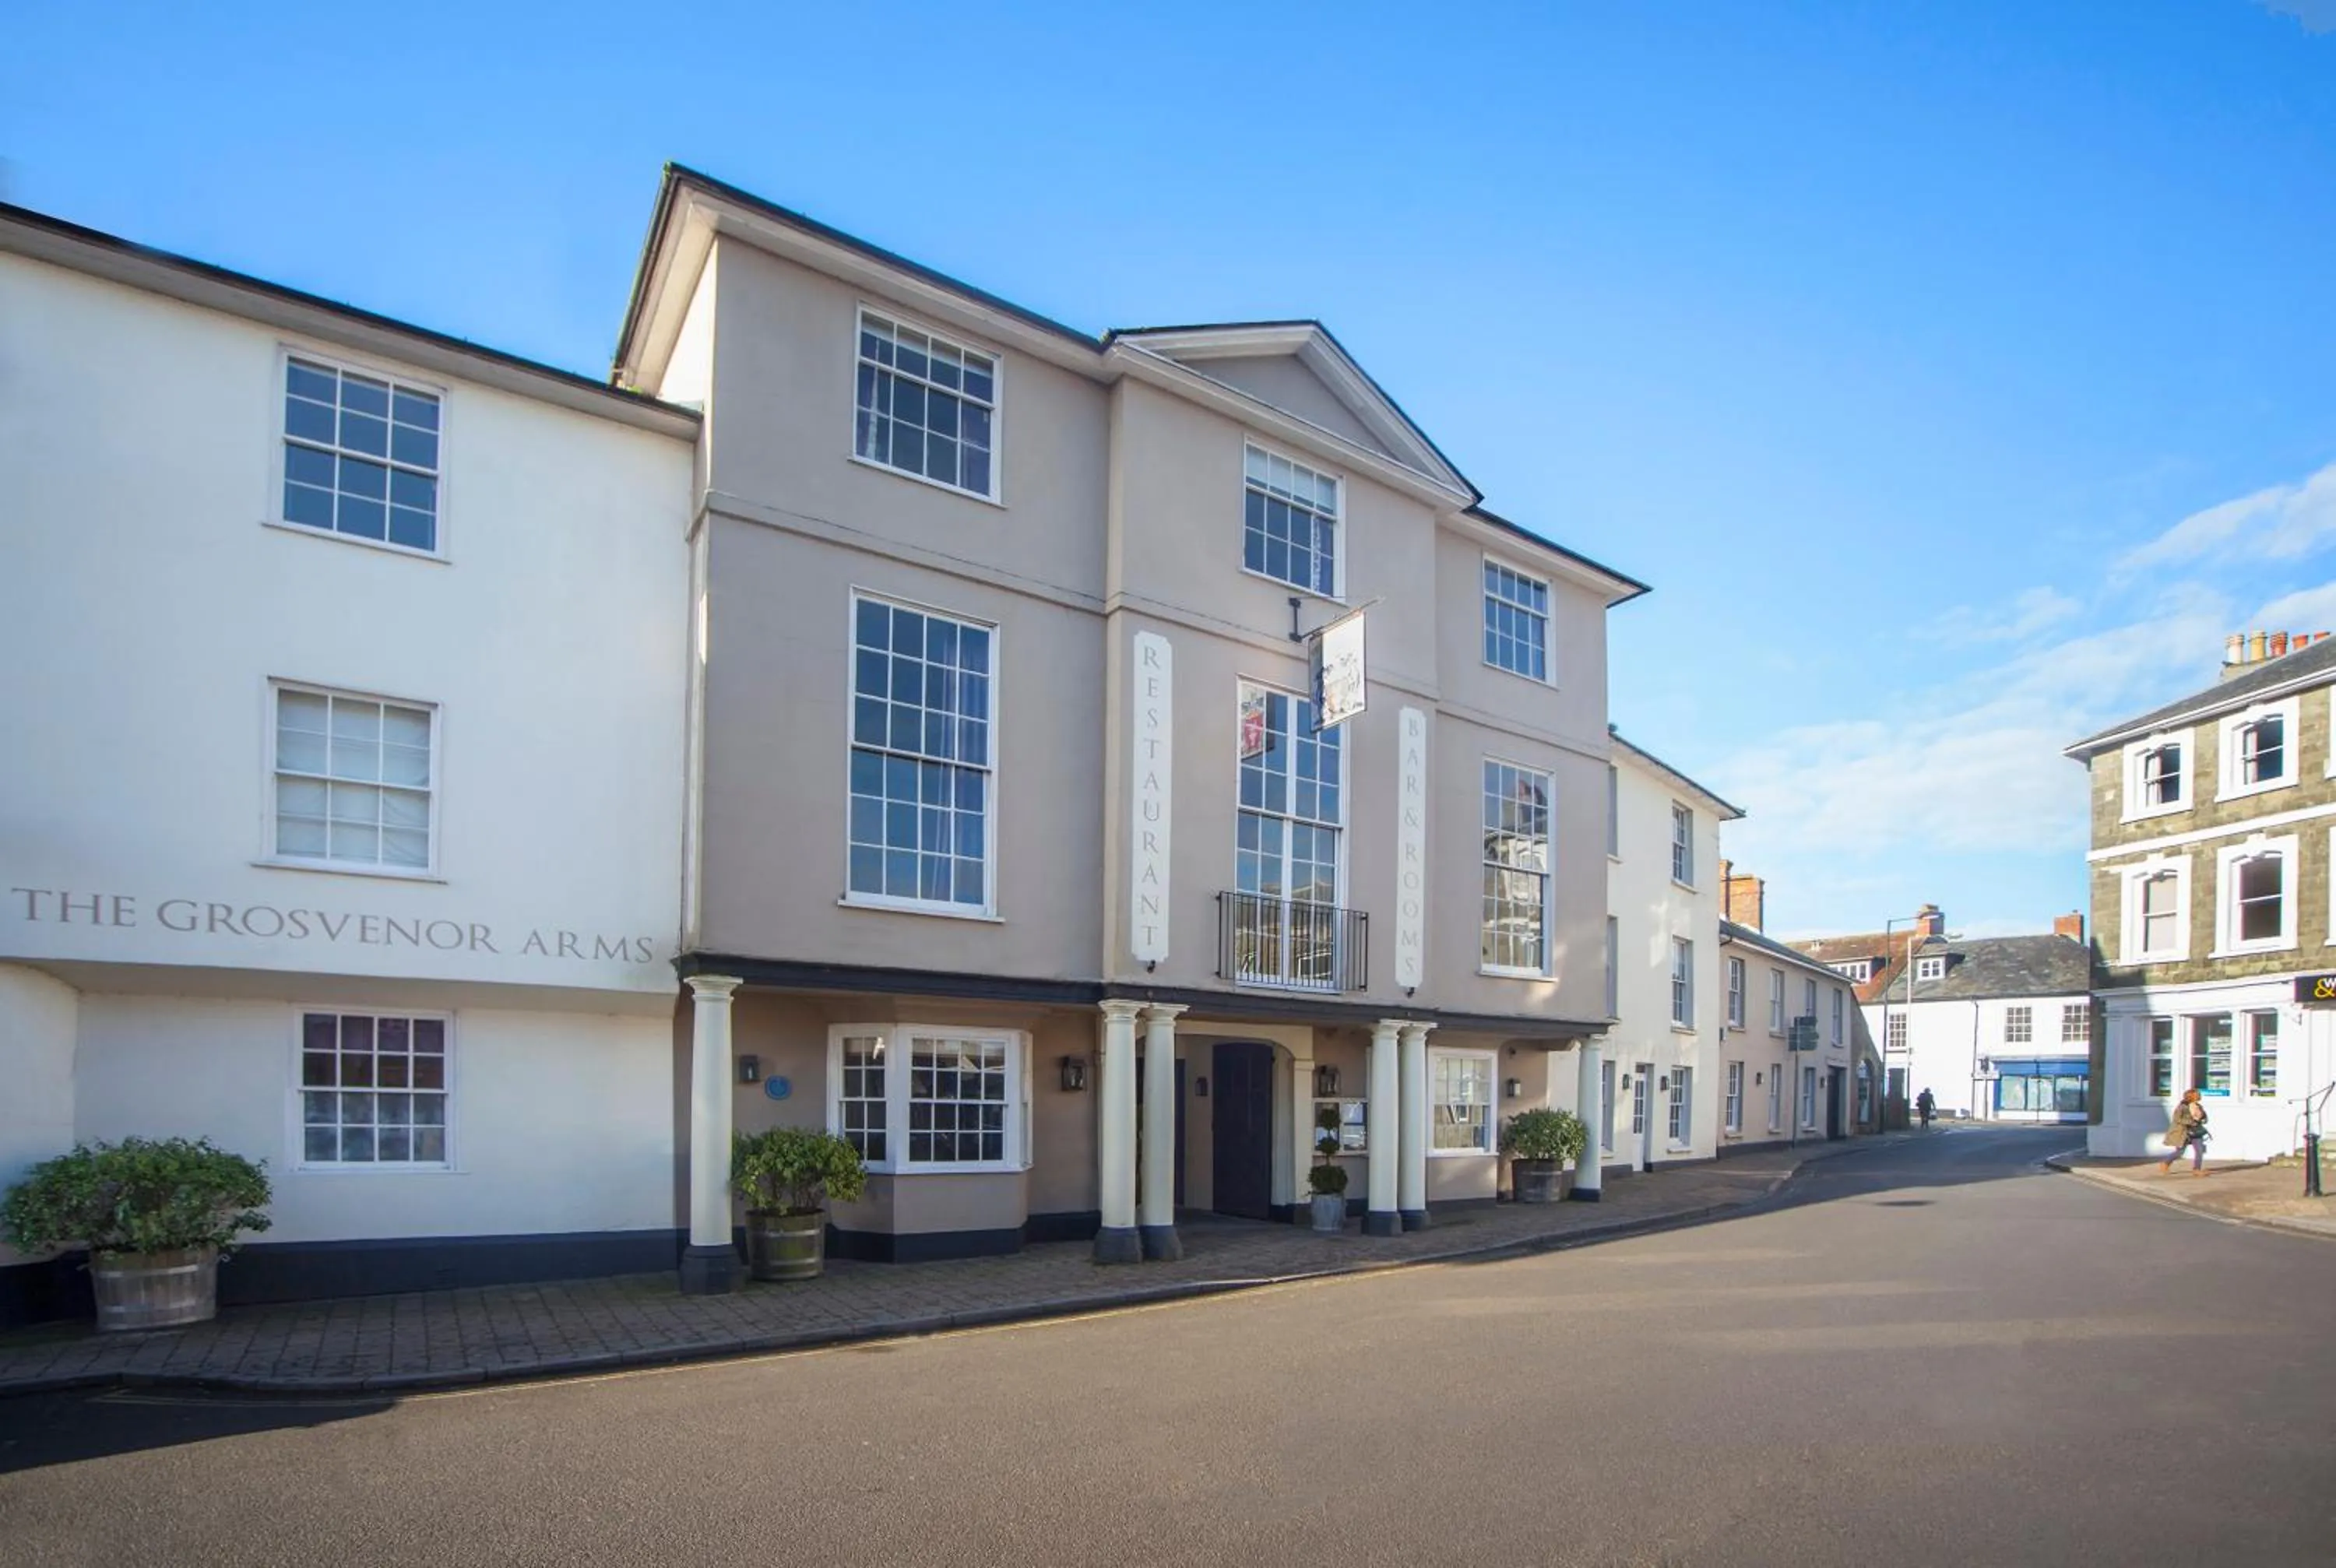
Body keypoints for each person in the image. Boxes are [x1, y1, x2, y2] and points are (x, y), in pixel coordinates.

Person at [2160, 1089, 2210, 1176]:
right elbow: (2177, 1119)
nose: (2199, 1096)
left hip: (2196, 1131)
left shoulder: (2198, 1106)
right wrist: (2190, 1122)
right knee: (2180, 1152)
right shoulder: (2182, 1107)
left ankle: (2197, 1170)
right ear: (2190, 1096)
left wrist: (2203, 1117)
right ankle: (2165, 1163)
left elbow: (2204, 1117)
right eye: (2197, 1094)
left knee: (2199, 1151)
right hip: (2184, 1132)